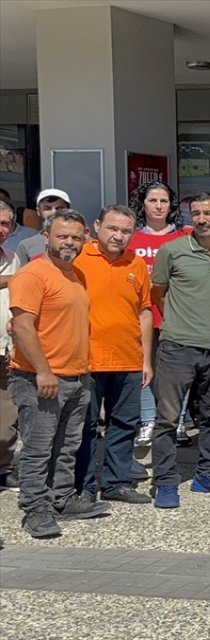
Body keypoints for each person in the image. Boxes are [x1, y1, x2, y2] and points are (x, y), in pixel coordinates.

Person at [9, 209, 110, 538]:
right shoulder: (33, 275)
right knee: (39, 447)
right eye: (63, 236)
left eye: (76, 237)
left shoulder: (75, 274)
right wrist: (43, 371)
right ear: (46, 237)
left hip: (77, 377)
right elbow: (22, 326)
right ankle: (35, 509)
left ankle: (62, 498)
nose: (70, 242)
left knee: (67, 446)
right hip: (41, 378)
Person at [149, 192, 210, 508]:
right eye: (195, 213)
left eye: (208, 213)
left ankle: (207, 474)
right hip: (178, 346)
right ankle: (164, 481)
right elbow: (158, 292)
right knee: (168, 418)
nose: (201, 219)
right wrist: (180, 323)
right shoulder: (171, 251)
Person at [72, 205, 154, 505]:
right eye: (113, 228)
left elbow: (144, 312)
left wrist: (145, 360)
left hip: (128, 359)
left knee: (124, 424)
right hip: (88, 359)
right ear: (96, 226)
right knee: (87, 426)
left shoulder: (137, 264)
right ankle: (84, 486)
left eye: (126, 231)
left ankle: (116, 483)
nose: (119, 236)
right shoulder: (78, 259)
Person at [126, 181, 192, 450]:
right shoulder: (130, 237)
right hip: (140, 316)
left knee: (179, 373)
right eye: (153, 200)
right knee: (145, 371)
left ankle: (178, 422)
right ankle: (148, 420)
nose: (158, 206)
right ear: (143, 203)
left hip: (176, 316)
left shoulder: (184, 236)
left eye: (163, 201)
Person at [0, 202, 19, 490]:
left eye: (5, 223)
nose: (1, 229)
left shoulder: (13, 257)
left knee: (7, 410)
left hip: (6, 345)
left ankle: (3, 467)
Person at [14, 188, 73, 265]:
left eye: (59, 208)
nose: (53, 212)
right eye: (47, 208)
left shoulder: (82, 242)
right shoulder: (26, 245)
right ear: (38, 211)